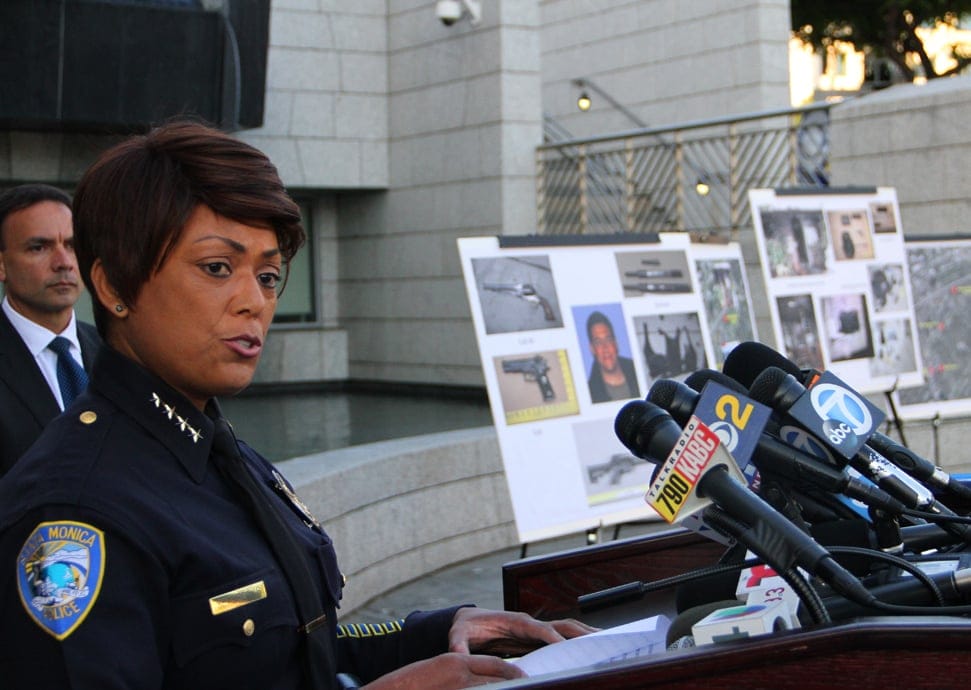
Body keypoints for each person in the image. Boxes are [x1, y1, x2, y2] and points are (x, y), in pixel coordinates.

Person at [0, 120, 595, 689]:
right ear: (114, 285)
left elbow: (287, 656)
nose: (253, 302)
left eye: (267, 276)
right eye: (217, 268)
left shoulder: (220, 453)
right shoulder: (72, 515)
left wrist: (436, 635)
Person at [0, 183, 101, 475]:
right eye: (39, 247)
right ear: (3, 265)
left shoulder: (118, 353)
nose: (63, 263)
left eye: (71, 246)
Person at [586, 310, 639, 403]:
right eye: (598, 342)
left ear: (616, 344)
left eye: (608, 339)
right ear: (592, 349)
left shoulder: (637, 371)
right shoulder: (590, 393)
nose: (605, 347)